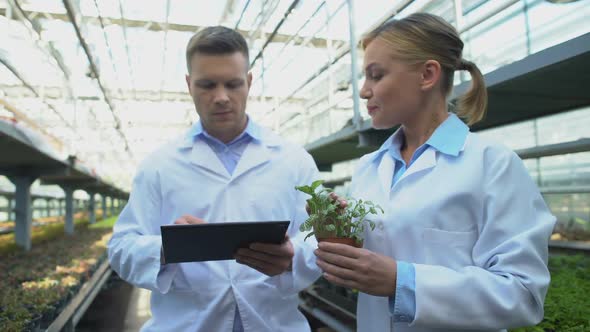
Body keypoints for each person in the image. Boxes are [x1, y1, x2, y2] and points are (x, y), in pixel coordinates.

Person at [313, 13, 556, 332]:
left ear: (427, 75)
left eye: (376, 75)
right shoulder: (368, 169)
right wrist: (336, 233)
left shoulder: (491, 164)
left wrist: (402, 282)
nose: (363, 91)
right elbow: (378, 255)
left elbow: (523, 294)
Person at [108, 26, 321, 332]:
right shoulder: (159, 165)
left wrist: (293, 258)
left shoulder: (293, 160)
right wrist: (169, 248)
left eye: (233, 84)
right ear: (188, 84)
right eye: (207, 85)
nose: (221, 97)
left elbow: (320, 241)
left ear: (248, 82)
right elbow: (121, 248)